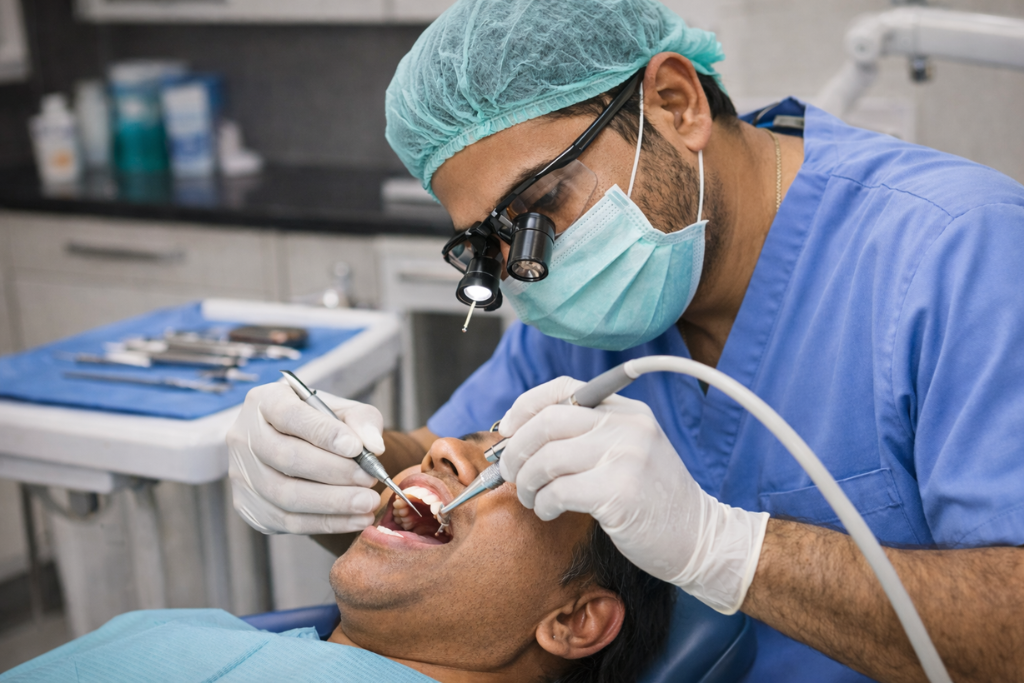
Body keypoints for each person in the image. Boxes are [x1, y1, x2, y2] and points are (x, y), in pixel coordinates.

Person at [227, 0, 1024, 681]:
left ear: (676, 103)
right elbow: (450, 479)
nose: (528, 271)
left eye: (540, 205)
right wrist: (327, 470)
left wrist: (728, 550)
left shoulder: (960, 255)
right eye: (490, 246)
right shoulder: (592, 311)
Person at [2, 431, 675, 683]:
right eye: (470, 438)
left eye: (517, 471)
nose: (441, 451)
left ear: (575, 621)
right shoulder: (188, 629)